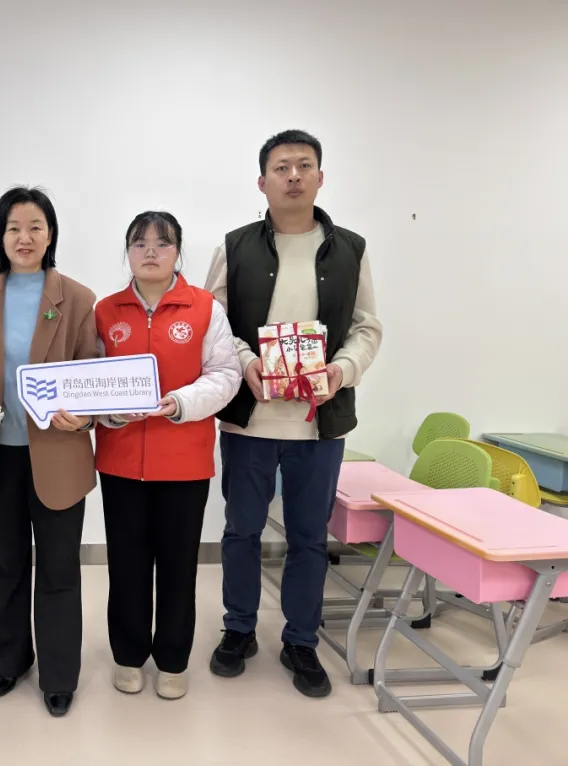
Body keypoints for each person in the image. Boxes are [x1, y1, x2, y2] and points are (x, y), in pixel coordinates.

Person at [204, 129, 383, 698]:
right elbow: (213, 326)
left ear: (320, 178)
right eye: (281, 167)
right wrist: (245, 361)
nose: (293, 176)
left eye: (304, 165)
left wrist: (341, 371)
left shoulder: (351, 249)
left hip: (318, 423)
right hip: (249, 421)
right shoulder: (234, 246)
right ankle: (239, 629)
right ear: (263, 182)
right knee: (241, 531)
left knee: (309, 537)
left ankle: (301, 640)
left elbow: (367, 327)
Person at [0, 186, 97, 717]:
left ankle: (59, 675)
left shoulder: (76, 298)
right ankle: (9, 661)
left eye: (35, 226)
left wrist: (85, 414)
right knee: (7, 562)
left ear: (50, 234)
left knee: (59, 568)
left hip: (58, 453)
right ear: (0, 236)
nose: (24, 237)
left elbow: (92, 374)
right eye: (13, 227)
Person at [94, 211, 241, 700]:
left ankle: (173, 660)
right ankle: (128, 655)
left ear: (178, 251)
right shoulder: (106, 311)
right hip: (120, 462)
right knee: (127, 565)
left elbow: (225, 375)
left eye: (163, 243)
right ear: (128, 253)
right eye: (140, 243)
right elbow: (91, 380)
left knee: (178, 568)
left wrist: (179, 403)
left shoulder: (204, 308)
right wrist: (111, 413)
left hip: (184, 462)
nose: (151, 252)